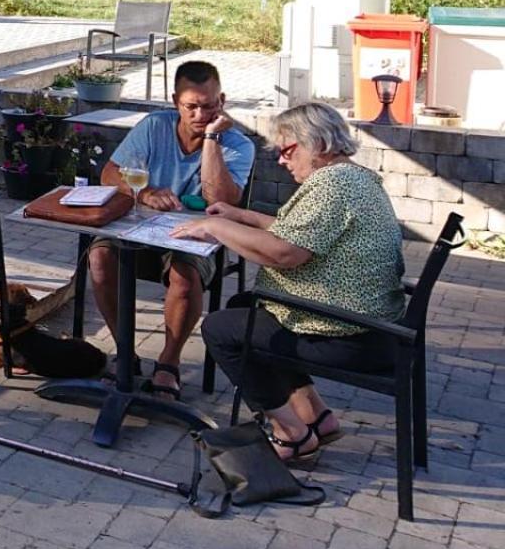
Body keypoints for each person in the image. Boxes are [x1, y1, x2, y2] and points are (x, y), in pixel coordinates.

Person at [173, 102, 404, 461]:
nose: (281, 161)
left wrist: (216, 226)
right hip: (371, 324)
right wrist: (240, 216)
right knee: (247, 307)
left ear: (318, 143)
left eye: (287, 150)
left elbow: (285, 253)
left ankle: (292, 434)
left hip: (349, 334)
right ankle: (316, 415)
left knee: (221, 329)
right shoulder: (353, 177)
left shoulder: (333, 185)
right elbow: (298, 233)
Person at [89, 60, 255, 401]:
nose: (199, 114)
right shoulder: (154, 126)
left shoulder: (238, 145)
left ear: (221, 101)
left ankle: (169, 361)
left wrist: (211, 139)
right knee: (100, 255)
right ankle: (125, 352)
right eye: (190, 106)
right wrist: (145, 192)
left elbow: (221, 200)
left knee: (184, 273)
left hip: (199, 236)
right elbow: (110, 173)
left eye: (208, 106)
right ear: (174, 101)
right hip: (142, 227)